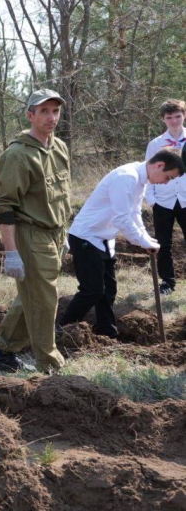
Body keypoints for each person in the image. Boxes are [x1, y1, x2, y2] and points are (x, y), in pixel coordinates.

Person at [57, 149, 183, 338]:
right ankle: (61, 328)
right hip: (86, 237)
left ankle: (106, 333)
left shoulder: (140, 181)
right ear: (159, 165)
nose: (166, 183)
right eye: (168, 177)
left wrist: (147, 239)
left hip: (104, 239)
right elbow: (121, 218)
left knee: (108, 291)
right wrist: (141, 242)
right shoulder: (126, 177)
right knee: (92, 290)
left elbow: (134, 214)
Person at [0, 89, 71, 374]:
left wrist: (65, 232)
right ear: (30, 115)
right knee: (45, 299)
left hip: (55, 234)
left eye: (55, 111)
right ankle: (49, 363)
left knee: (33, 294)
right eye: (44, 111)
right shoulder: (18, 155)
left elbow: (63, 194)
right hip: (31, 234)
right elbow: (5, 207)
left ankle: (4, 352)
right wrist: (11, 253)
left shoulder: (58, 147)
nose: (51, 117)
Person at [144, 99, 186, 295]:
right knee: (163, 243)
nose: (174, 121)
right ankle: (167, 283)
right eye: (169, 117)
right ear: (163, 119)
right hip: (163, 200)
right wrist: (152, 200)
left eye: (178, 116)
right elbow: (148, 171)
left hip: (185, 199)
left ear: (184, 116)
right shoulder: (156, 144)